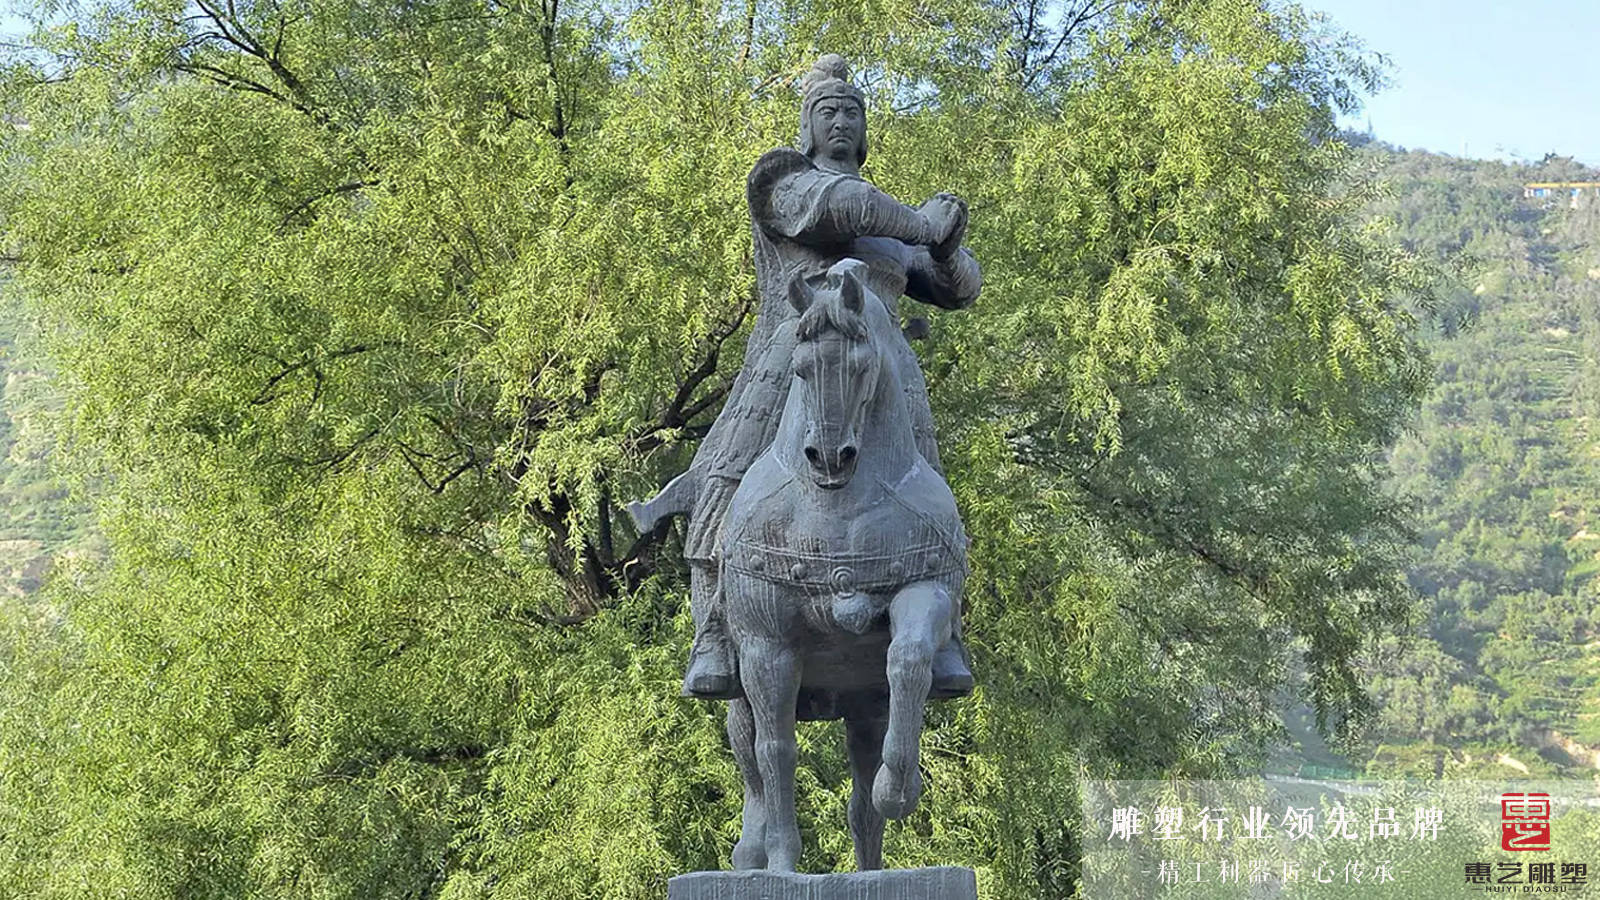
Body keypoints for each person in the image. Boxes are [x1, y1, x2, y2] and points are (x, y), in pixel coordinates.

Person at [632, 54, 980, 699]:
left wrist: (947, 243)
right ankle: (713, 627)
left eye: (852, 112)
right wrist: (924, 222)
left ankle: (945, 626)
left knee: (925, 475)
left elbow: (957, 290)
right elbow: (839, 208)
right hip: (792, 353)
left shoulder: (890, 229)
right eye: (829, 112)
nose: (841, 120)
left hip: (885, 367)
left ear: (866, 129)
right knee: (728, 467)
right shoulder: (784, 182)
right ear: (808, 125)